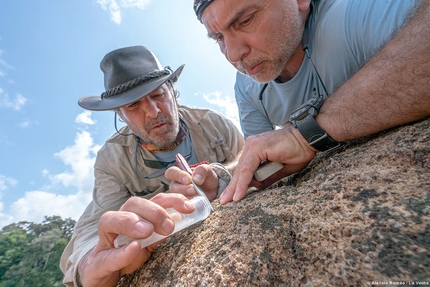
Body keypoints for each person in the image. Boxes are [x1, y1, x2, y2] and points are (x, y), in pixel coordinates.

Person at [169, 0, 429, 204]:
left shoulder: (350, 14)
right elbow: (262, 158)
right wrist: (224, 177)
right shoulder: (247, 86)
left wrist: (306, 134)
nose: (234, 54)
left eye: (246, 20)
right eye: (219, 38)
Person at [60, 45, 244, 287]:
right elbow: (97, 223)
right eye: (133, 106)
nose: (153, 112)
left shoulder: (214, 125)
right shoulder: (111, 160)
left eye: (158, 95)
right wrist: (89, 264)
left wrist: (221, 178)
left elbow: (250, 164)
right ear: (120, 115)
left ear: (173, 92)